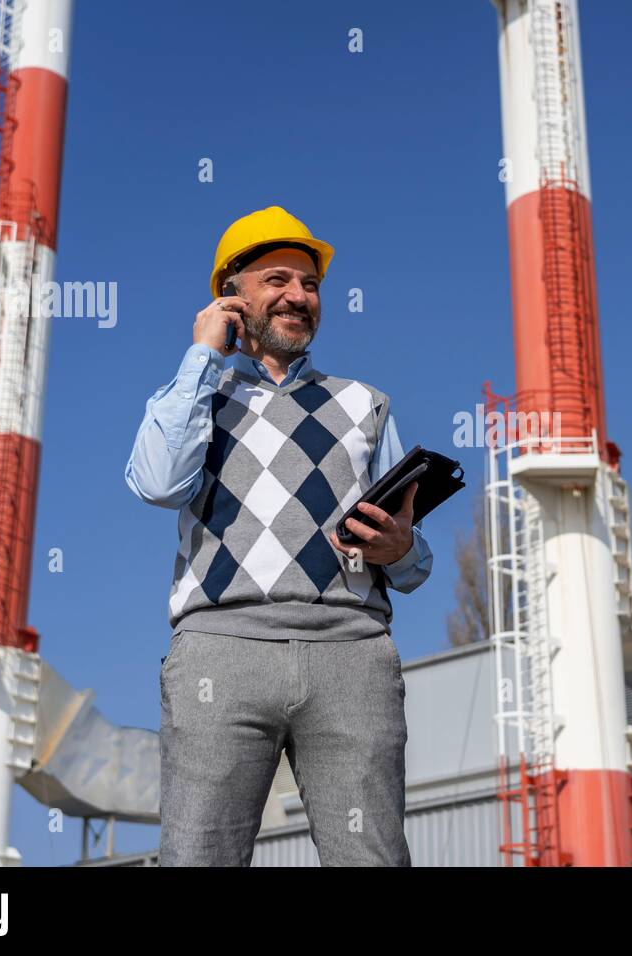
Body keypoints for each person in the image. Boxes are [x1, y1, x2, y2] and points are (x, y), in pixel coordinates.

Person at [125, 206, 432, 866]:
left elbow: (414, 559)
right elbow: (156, 482)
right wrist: (204, 354)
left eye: (310, 284)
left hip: (352, 653)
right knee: (197, 857)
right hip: (220, 649)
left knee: (372, 858)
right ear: (230, 294)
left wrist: (401, 549)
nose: (299, 295)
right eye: (278, 280)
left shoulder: (366, 404)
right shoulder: (191, 396)